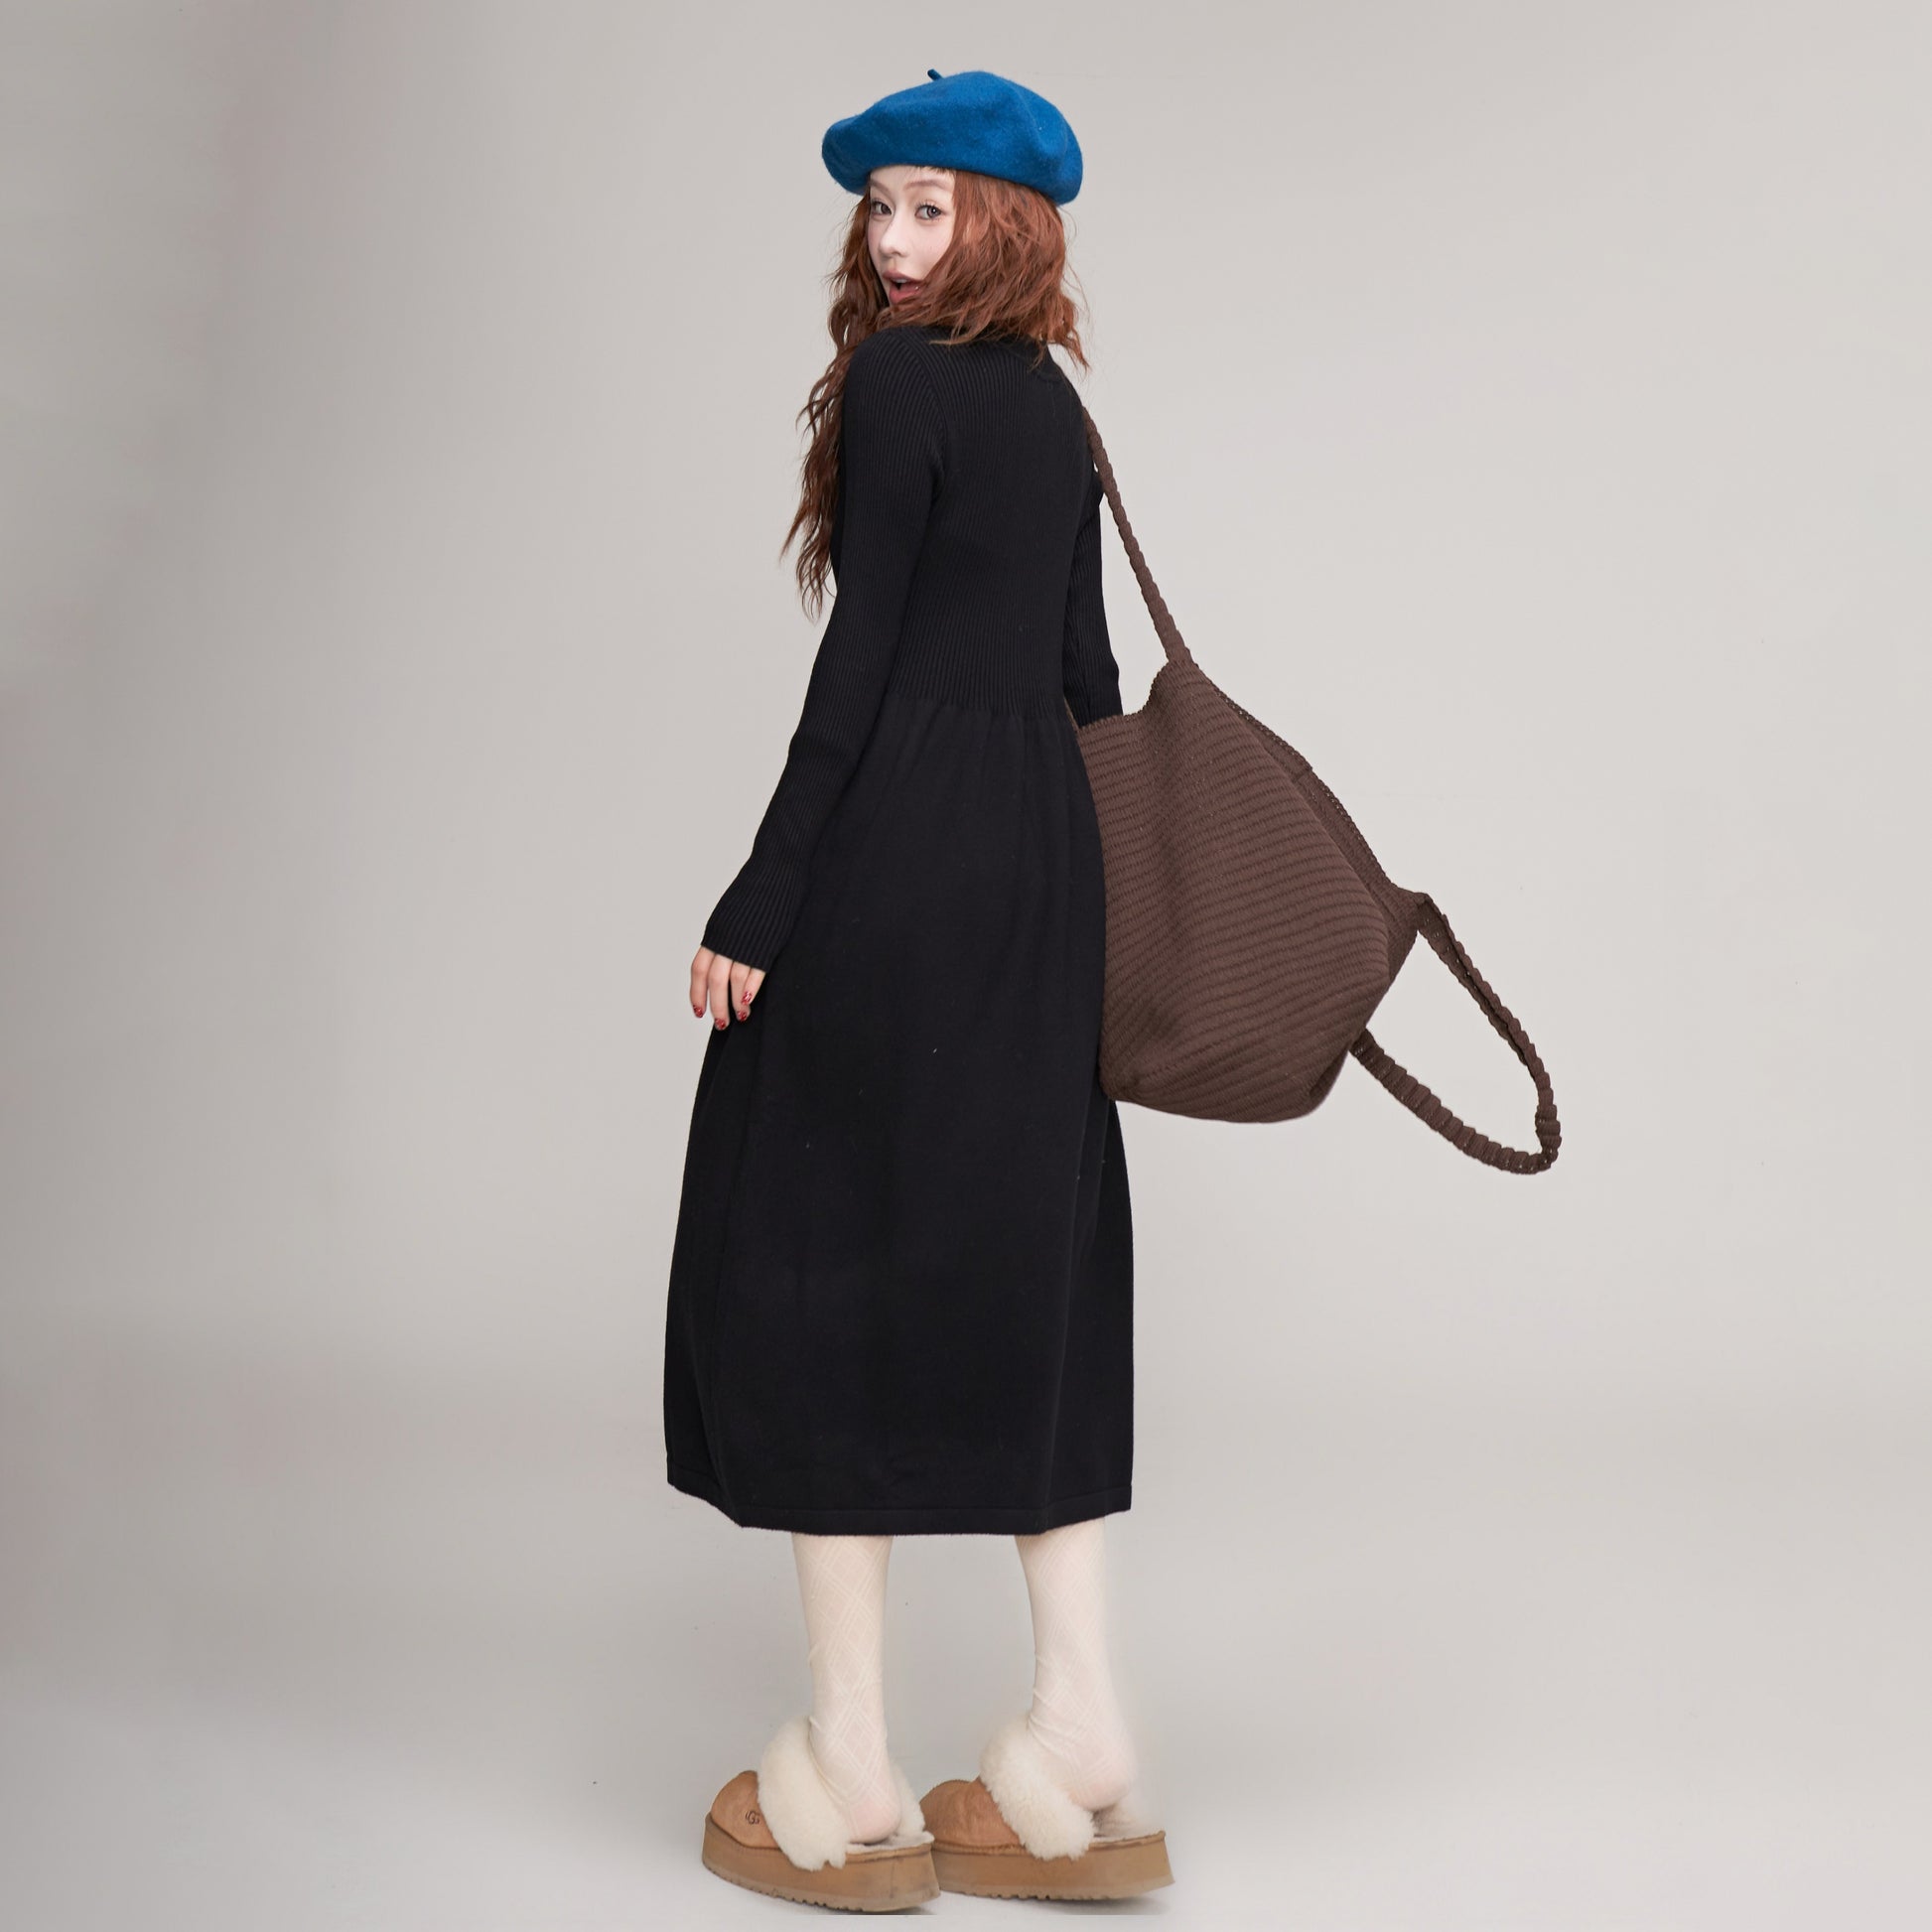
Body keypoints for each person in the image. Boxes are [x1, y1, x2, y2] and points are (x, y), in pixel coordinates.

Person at [665, 69, 1173, 1909]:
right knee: (1034, 1263)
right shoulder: (1054, 406)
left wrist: (763, 894)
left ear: (1001, 224)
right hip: (1041, 858)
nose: (889, 243)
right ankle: (1078, 1740)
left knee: (815, 1258)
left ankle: (855, 1770)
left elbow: (860, 666)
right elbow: (1086, 680)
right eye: (876, 206)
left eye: (925, 208)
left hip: (897, 850)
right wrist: (1106, 903)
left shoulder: (895, 389)